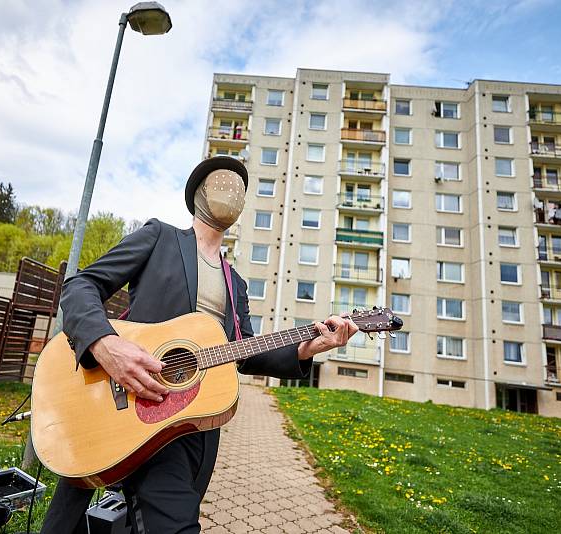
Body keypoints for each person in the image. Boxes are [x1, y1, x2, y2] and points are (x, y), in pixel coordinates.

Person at [40, 156, 359, 533]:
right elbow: (80, 286)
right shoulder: (159, 237)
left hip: (189, 423)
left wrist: (307, 347)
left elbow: (243, 351)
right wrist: (106, 344)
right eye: (222, 178)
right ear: (197, 194)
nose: (232, 185)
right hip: (117, 400)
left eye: (241, 182)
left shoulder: (235, 283)